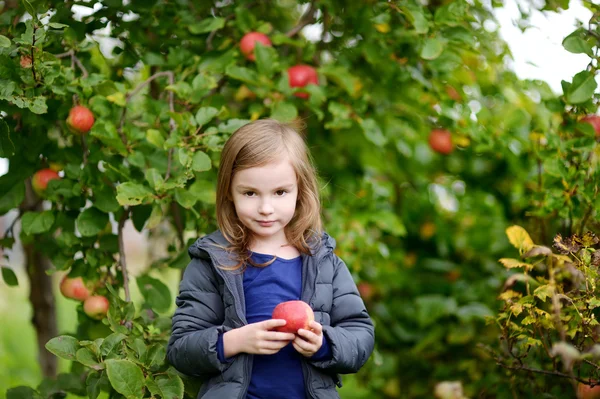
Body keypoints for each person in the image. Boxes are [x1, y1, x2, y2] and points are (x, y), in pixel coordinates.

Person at [167, 119, 375, 399]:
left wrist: (323, 344)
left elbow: (360, 334)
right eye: (250, 193)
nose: (266, 208)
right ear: (229, 191)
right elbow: (180, 348)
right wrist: (234, 341)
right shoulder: (214, 262)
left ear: (300, 189)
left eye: (280, 192)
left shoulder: (323, 263)